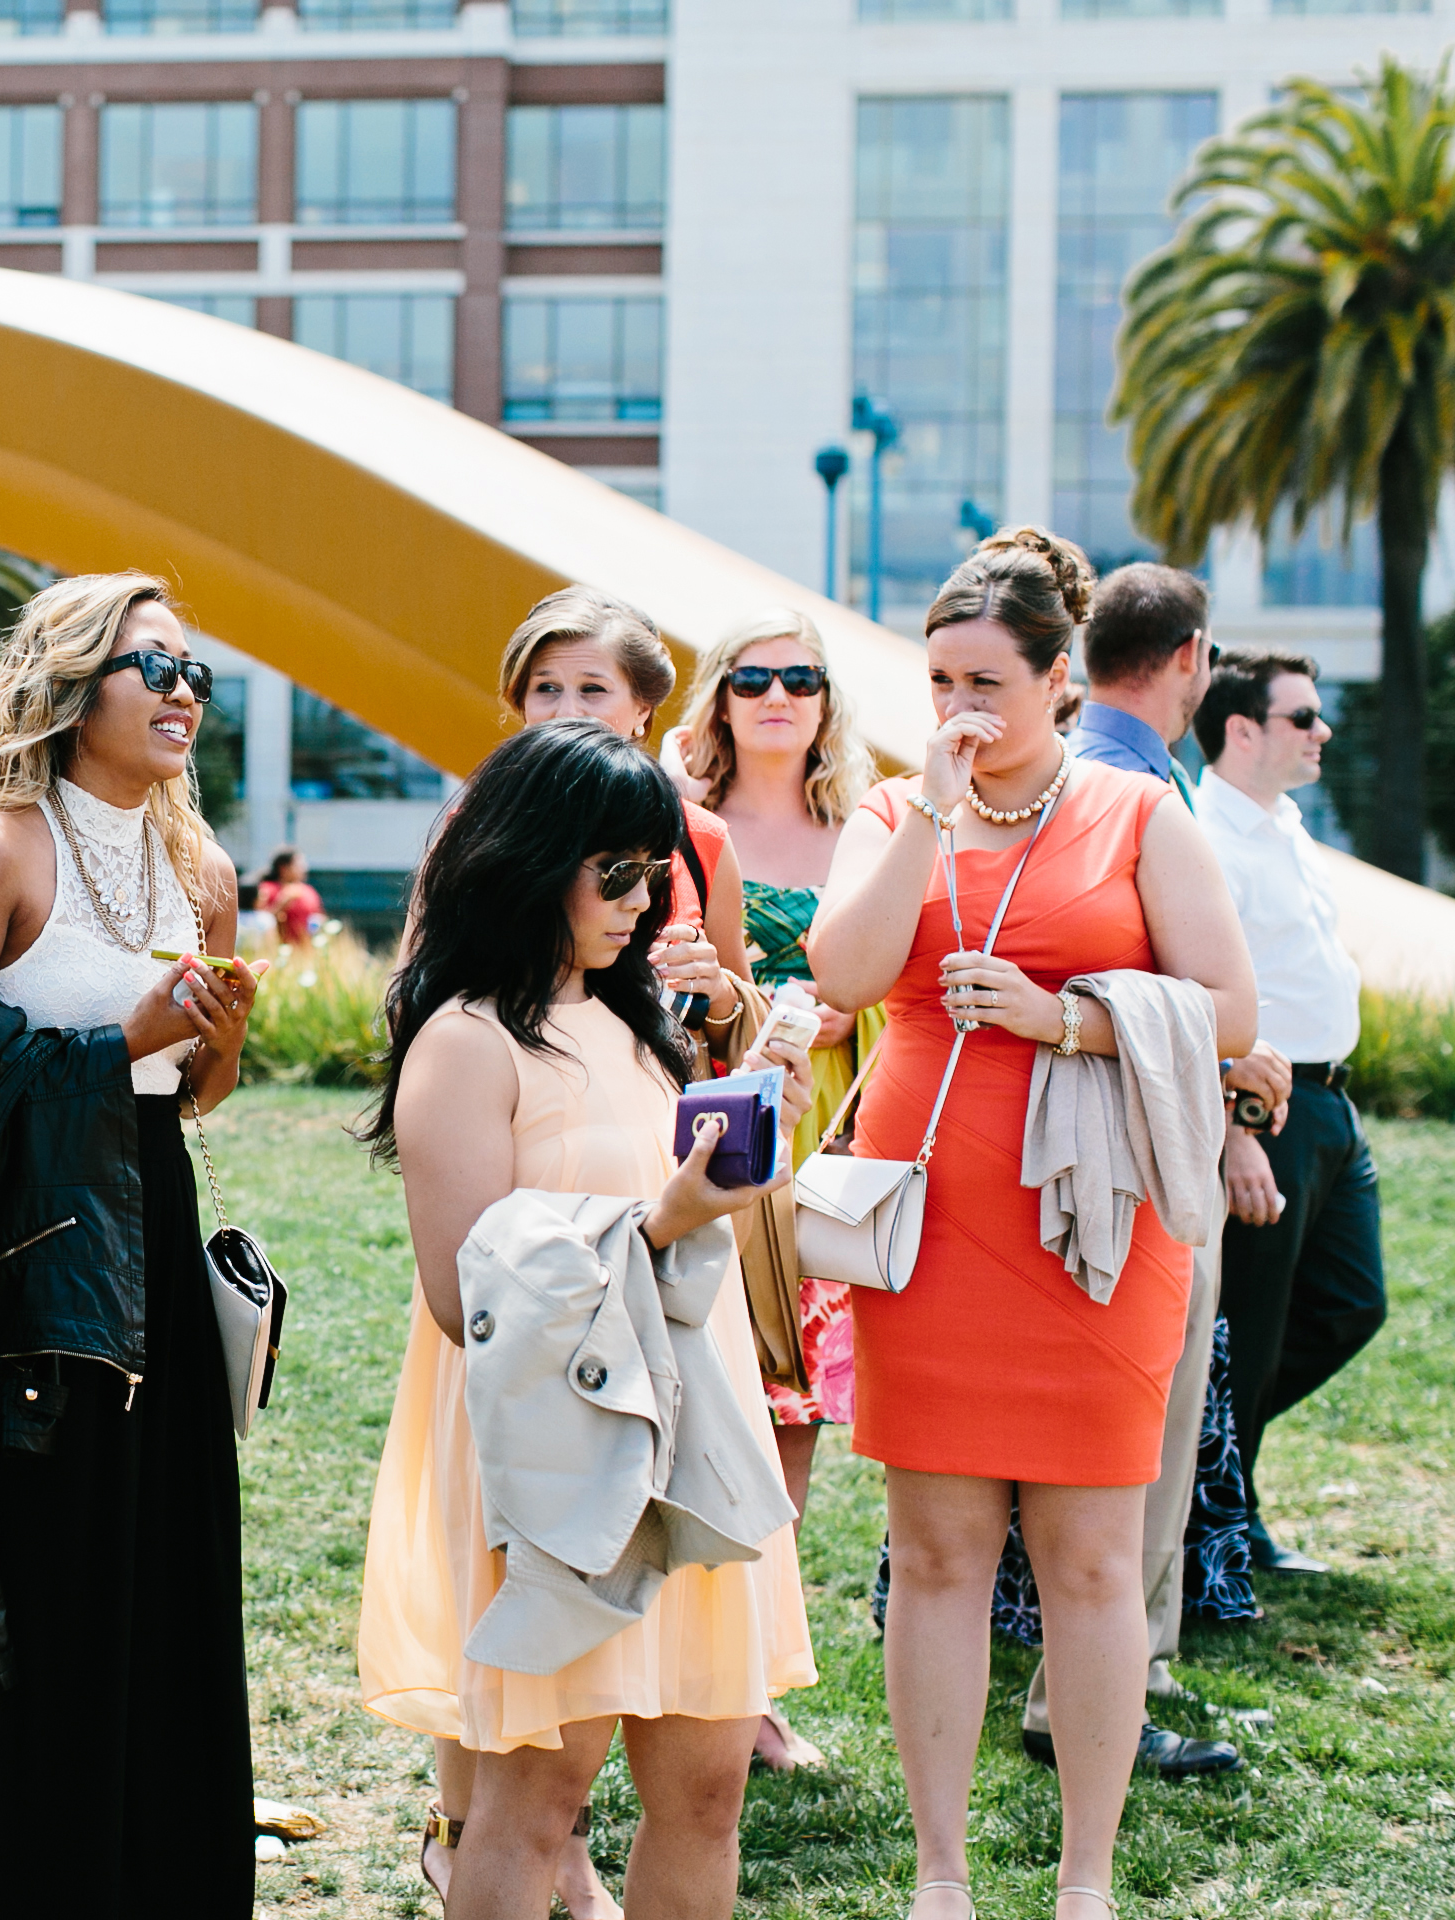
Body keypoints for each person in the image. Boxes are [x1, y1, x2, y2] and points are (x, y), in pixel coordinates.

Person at [805, 528, 1258, 1920]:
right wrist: (934, 813)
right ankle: (940, 1877)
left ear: (1061, 680)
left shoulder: (1136, 817)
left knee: (1093, 1557)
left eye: (988, 683)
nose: (960, 711)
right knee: (935, 1551)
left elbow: (1232, 1015)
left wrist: (1071, 1019)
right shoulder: (892, 815)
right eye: (940, 682)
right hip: (931, 1219)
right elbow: (845, 970)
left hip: (1093, 1227)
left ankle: (1085, 1880)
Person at [359, 718, 817, 1920]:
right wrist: (665, 1215)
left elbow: (679, 1215)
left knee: (710, 1787)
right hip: (562, 1454)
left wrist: (747, 1138)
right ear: (526, 861)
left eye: (657, 874)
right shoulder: (465, 1042)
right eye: (614, 873)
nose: (645, 902)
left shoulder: (635, 1025)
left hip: (691, 1432)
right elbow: (469, 1297)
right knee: (538, 1799)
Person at [0, 571, 262, 1918]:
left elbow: (195, 1100)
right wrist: (123, 1043)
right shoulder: (0, 852)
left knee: (168, 1591)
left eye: (194, 673)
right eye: (150, 666)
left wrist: (208, 1043)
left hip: (151, 1230)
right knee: (38, 1596)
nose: (180, 693)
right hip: (37, 1271)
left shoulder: (205, 871)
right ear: (71, 681)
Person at [1032, 560, 1253, 1777]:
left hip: (1138, 1135)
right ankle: (1107, 1687)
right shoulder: (1123, 785)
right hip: (1128, 1154)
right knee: (1137, 1440)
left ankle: (1113, 1679)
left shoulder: (1115, 773)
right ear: (1190, 659)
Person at [671, 608, 881, 1773]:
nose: (777, 695)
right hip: (710, 1125)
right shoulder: (680, 825)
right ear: (720, 698)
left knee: (790, 1414)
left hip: (836, 1128)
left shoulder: (860, 824)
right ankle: (685, 1674)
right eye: (752, 678)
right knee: (706, 1402)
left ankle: (751, 1690)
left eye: (801, 677)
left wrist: (860, 999)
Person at [1193, 649, 1385, 1577]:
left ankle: (1219, 1492)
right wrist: (1233, 1128)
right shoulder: (1207, 837)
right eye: (1303, 717)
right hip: (1266, 1106)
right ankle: (1228, 1531)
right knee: (1254, 1329)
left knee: (1352, 1304)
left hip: (1330, 1105)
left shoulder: (1287, 824)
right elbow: (1202, 994)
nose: (1322, 732)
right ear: (1243, 729)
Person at [500, 588, 748, 1044]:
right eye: (546, 688)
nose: (568, 711)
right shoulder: (477, 828)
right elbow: (416, 993)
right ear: (523, 706)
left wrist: (717, 991)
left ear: (643, 709)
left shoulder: (700, 837)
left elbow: (737, 1028)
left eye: (592, 689)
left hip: (666, 1107)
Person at [256, 847, 324, 953]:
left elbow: (319, 917)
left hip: (305, 951)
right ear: (283, 868)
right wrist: (282, 903)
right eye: (299, 865)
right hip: (278, 951)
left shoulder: (309, 891)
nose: (304, 869)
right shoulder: (266, 890)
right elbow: (258, 922)